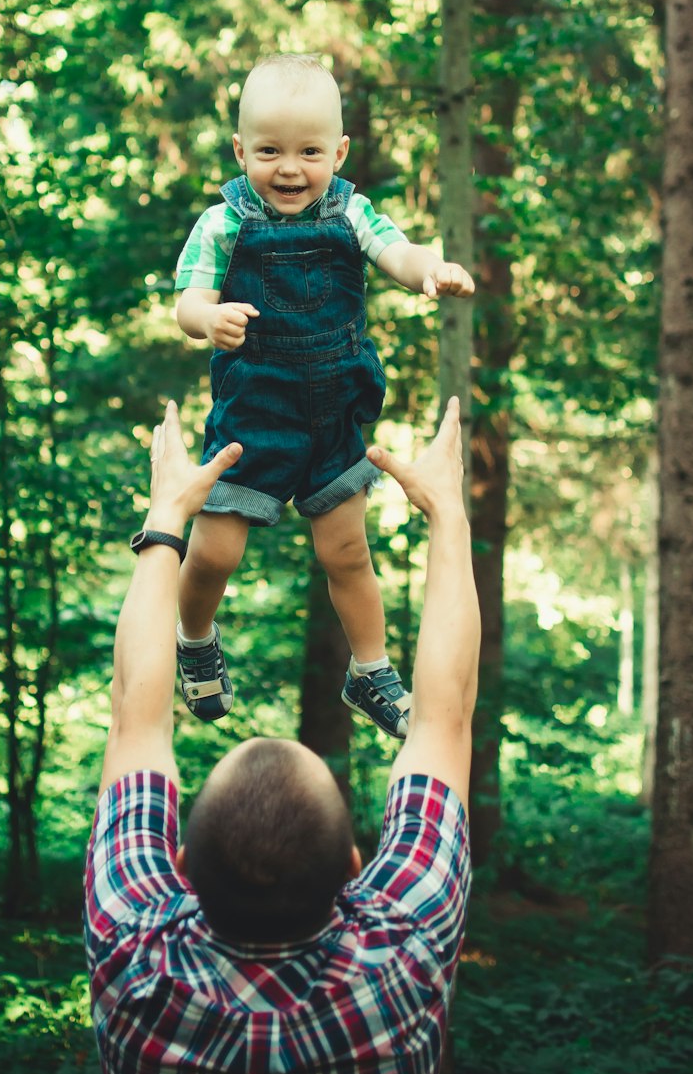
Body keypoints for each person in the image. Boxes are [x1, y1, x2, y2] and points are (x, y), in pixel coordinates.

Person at [85, 396, 480, 1074]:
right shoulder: (403, 959)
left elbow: (136, 721)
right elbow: (446, 716)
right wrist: (448, 517)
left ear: (180, 867)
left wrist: (168, 518)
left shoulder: (134, 962)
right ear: (355, 869)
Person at [173, 53, 474, 738]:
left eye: (309, 152)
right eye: (270, 151)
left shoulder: (353, 212)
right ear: (240, 150)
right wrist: (207, 319)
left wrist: (430, 270)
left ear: (337, 151)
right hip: (255, 416)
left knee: (348, 554)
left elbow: (399, 254)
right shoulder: (223, 224)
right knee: (215, 552)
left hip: (335, 414)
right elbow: (188, 300)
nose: (289, 168)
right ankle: (194, 639)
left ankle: (369, 671)